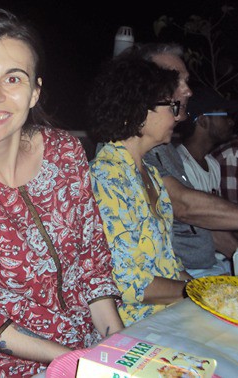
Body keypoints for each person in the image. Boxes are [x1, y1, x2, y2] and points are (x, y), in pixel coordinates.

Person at [0, 8, 124, 377]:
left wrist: (118, 351)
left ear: (34, 92)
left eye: (13, 78)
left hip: (90, 350)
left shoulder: (65, 153)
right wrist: (78, 362)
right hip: (7, 367)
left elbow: (93, 267)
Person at [128, 43, 238, 242]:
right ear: (143, 87)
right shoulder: (128, 149)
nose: (188, 91)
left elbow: (208, 223)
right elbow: (185, 207)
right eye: (175, 81)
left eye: (186, 81)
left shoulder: (166, 149)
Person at [88, 55, 192, 326]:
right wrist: (196, 292)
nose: (176, 114)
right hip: (135, 325)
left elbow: (168, 263)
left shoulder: (151, 174)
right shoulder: (106, 178)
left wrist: (210, 289)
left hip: (170, 314)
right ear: (138, 111)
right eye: (170, 105)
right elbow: (128, 284)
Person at [174, 87, 238, 277]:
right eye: (224, 115)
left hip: (217, 262)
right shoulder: (181, 165)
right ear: (203, 120)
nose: (230, 121)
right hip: (195, 268)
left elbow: (222, 220)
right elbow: (210, 232)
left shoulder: (212, 163)